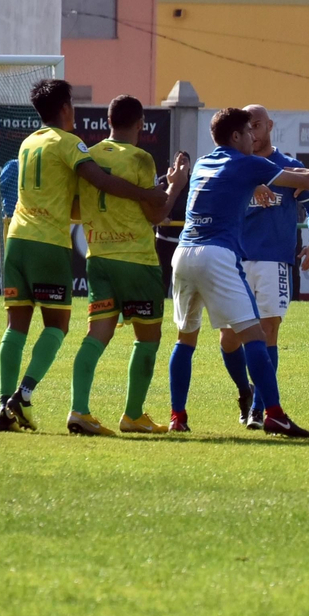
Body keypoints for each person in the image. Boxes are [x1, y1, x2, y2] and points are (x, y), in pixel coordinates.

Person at [167, 108, 309, 437]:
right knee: (255, 337)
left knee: (186, 340)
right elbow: (308, 180)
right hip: (219, 254)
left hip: (183, 253)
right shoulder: (248, 163)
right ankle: (273, 413)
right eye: (248, 131)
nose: (253, 137)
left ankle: (178, 415)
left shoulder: (204, 162)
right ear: (236, 137)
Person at [0, 79, 175, 433]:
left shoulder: (28, 143)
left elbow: (77, 201)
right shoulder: (72, 144)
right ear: (65, 108)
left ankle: (6, 403)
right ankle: (25, 395)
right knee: (58, 326)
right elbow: (102, 183)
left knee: (16, 327)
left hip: (16, 238)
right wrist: (153, 193)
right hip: (52, 244)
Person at [63, 97, 189, 437]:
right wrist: (176, 184)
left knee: (95, 336)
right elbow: (156, 213)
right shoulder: (139, 158)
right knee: (147, 339)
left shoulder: (88, 154)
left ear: (108, 120)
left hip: (99, 258)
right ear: (141, 123)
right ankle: (133, 415)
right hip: (136, 261)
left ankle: (79, 409)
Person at [222, 104, 309, 430]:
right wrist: (249, 187)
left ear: (269, 126)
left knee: (269, 331)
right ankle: (244, 390)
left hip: (275, 261)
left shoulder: (289, 167)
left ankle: (260, 408)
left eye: (257, 125)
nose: (252, 133)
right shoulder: (237, 167)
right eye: (247, 127)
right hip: (237, 260)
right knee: (229, 337)